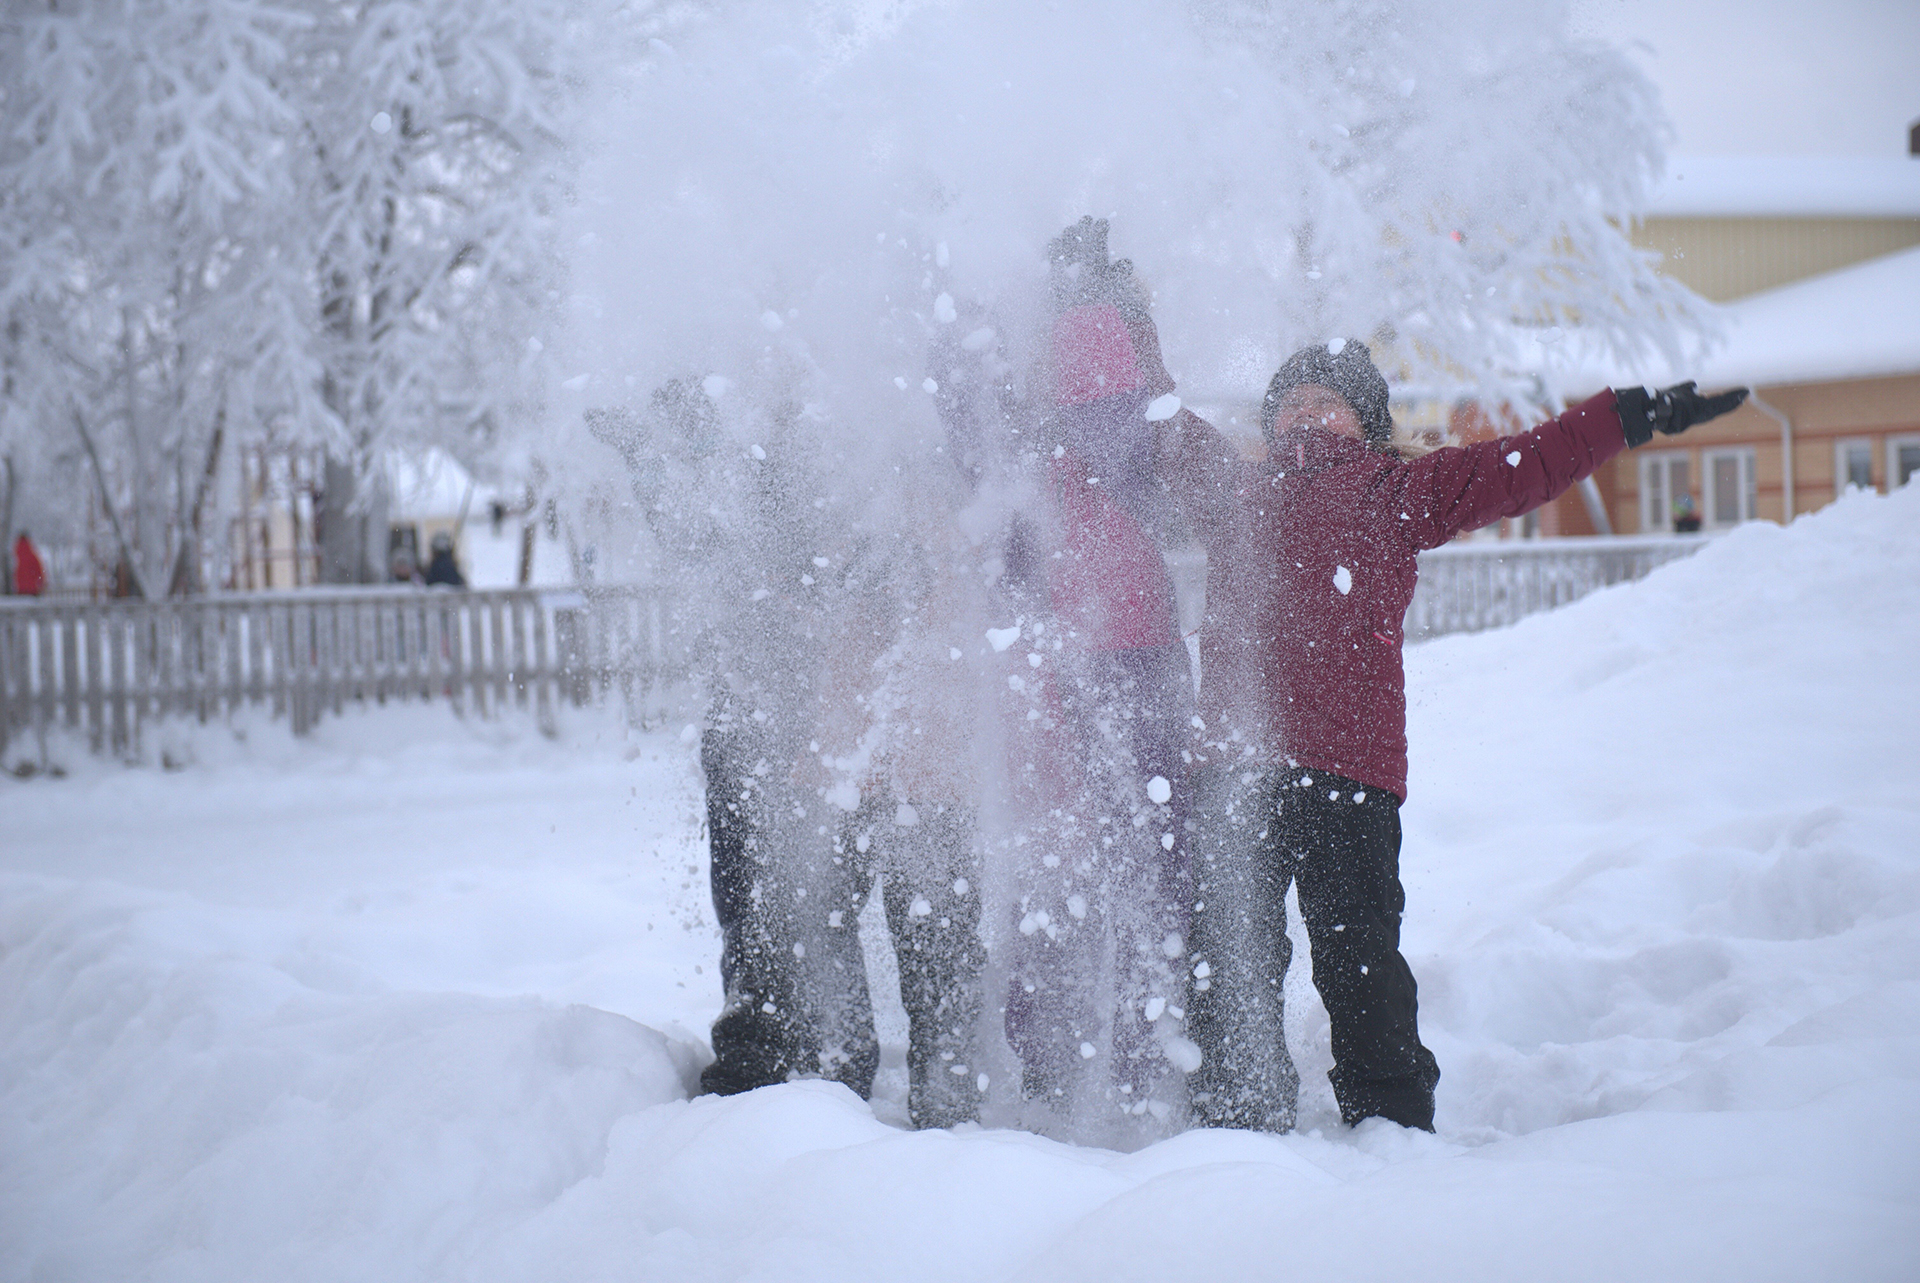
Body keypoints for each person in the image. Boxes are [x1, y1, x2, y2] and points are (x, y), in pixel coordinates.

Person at [1183, 340, 1746, 1133]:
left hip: (1348, 774)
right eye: (1291, 402)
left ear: (1369, 427)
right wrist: (1109, 314)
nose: (1307, 412)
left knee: (1360, 965)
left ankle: (1389, 1125)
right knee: (1226, 952)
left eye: (1327, 401)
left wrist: (1623, 416)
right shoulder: (1233, 494)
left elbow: (1519, 465)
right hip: (1235, 771)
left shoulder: (1394, 490)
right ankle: (1232, 1123)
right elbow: (1151, 433)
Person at [12, 531, 46, 596]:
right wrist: (42, 583)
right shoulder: (32, 555)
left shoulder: (16, 556)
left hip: (20, 589)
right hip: (32, 589)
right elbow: (39, 570)